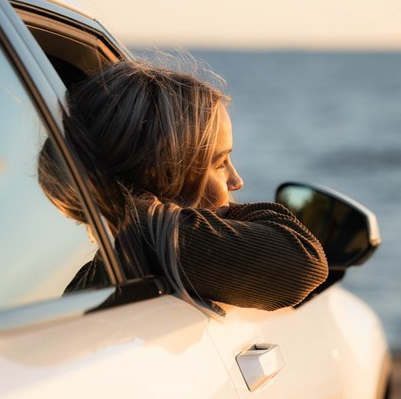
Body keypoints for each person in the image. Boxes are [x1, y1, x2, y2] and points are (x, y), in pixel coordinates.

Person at [38, 59, 328, 311]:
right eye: (218, 163)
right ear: (162, 175)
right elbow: (305, 262)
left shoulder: (99, 272)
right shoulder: (152, 241)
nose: (236, 181)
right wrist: (232, 214)